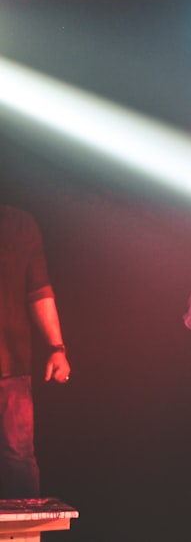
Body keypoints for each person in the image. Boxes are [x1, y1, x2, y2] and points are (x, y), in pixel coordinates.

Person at [0, 204, 71, 498]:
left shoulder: (18, 224)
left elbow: (39, 290)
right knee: (19, 458)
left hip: (10, 368)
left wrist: (57, 348)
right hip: (11, 368)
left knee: (18, 459)